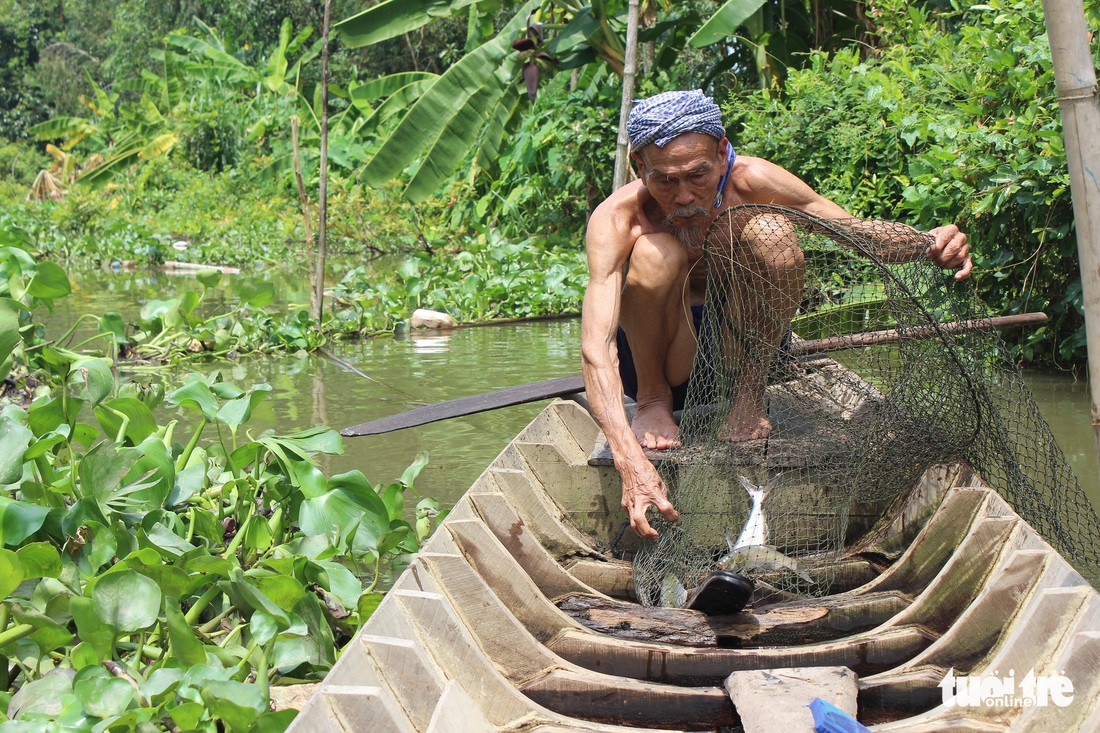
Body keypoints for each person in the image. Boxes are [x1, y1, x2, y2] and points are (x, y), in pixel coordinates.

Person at [580, 90, 973, 540]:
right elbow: (597, 347)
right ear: (639, 167)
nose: (685, 196)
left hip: (739, 345)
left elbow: (857, 234)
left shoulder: (753, 180)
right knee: (656, 253)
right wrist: (630, 460)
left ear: (723, 151)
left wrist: (929, 243)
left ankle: (748, 395)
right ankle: (653, 402)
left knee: (770, 231)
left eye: (698, 175)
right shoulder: (618, 218)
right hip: (665, 358)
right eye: (666, 181)